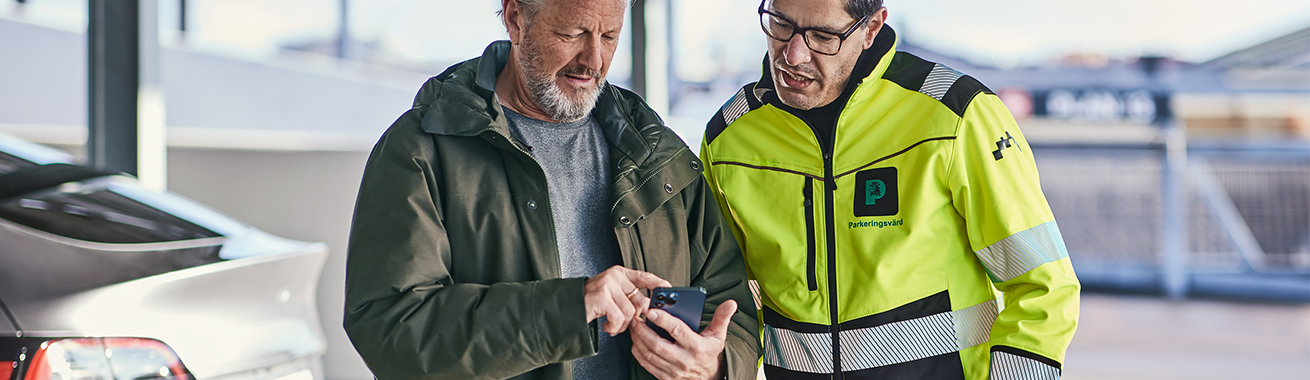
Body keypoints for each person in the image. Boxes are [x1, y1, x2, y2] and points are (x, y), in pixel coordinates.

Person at [342, 0, 759, 379]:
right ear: (515, 19)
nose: (593, 58)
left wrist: (716, 365)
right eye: (572, 33)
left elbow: (730, 307)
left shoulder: (653, 149)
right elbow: (390, 329)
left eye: (609, 36)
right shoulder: (421, 150)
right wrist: (569, 309)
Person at [699, 0, 1080, 379]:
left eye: (823, 36)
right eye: (781, 24)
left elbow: (1042, 288)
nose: (794, 55)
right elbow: (724, 301)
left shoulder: (955, 114)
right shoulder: (728, 139)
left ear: (871, 28)